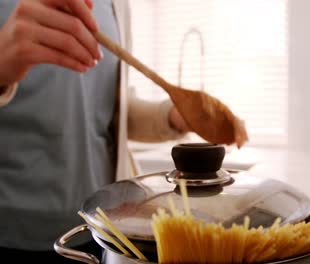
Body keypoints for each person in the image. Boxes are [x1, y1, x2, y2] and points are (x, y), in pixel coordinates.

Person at [0, 0, 215, 262]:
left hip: (100, 228)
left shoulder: (116, 5)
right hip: (11, 231)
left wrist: (170, 116)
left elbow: (104, 110)